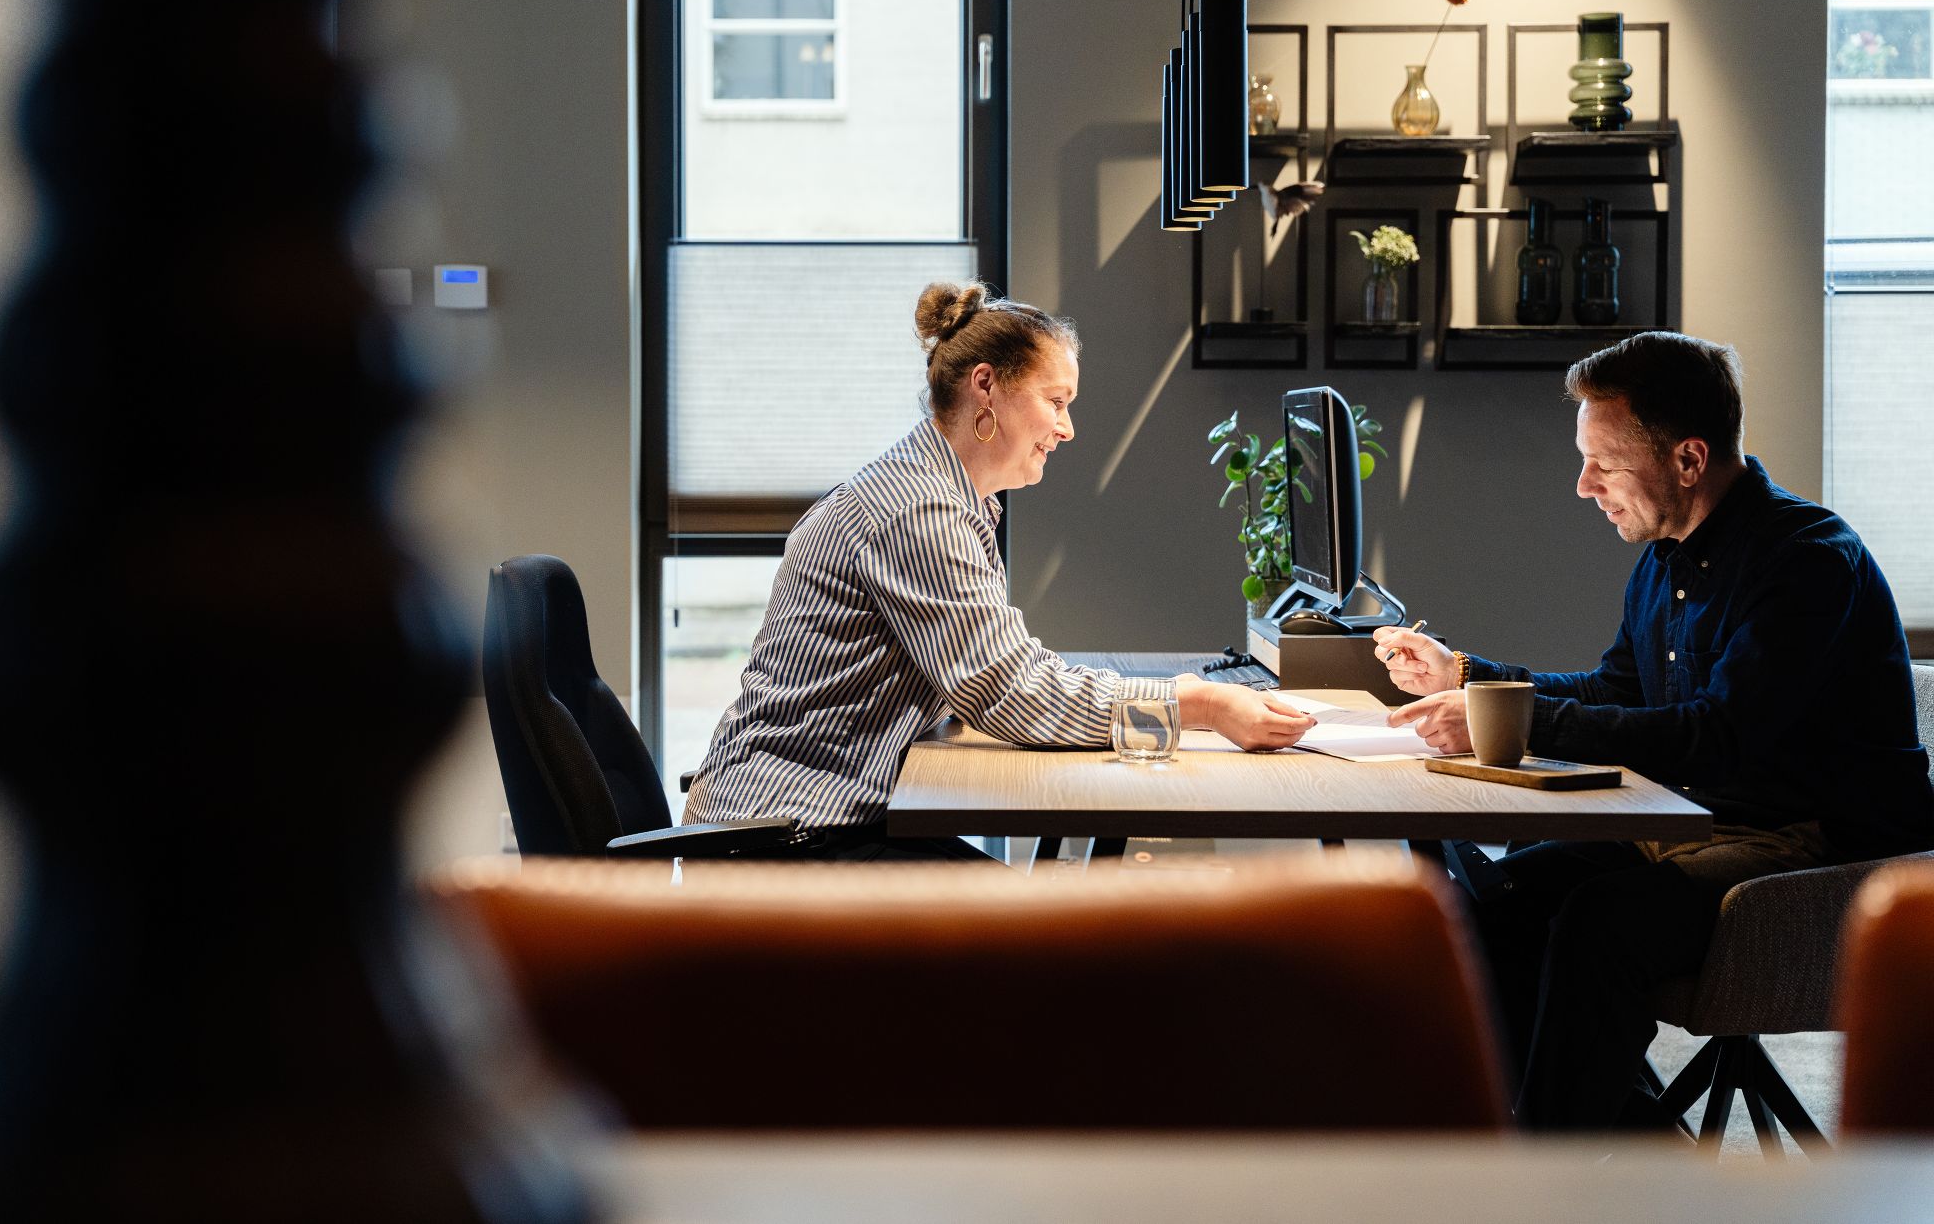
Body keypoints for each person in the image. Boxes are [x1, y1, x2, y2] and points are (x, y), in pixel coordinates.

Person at [1371, 330, 1934, 1132]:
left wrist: (1510, 715)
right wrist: (1469, 675)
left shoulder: (1807, 561)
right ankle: (1615, 1139)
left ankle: (1548, 1179)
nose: (1582, 484)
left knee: (1599, 926)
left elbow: (1717, 737)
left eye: (1602, 462)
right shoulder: (1667, 558)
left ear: (1689, 460)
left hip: (1817, 850)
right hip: (1705, 829)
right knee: (1495, 902)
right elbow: (1616, 691)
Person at [681, 279, 1317, 861]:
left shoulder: (955, 499)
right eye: (1055, 400)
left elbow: (999, 674)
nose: (1067, 429)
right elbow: (1010, 691)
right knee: (1049, 946)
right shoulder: (918, 509)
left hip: (812, 819)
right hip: (782, 837)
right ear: (984, 386)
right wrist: (1197, 702)